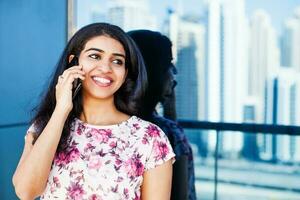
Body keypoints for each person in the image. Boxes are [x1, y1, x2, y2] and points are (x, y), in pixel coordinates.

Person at [12, 23, 175, 200]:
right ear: (73, 62)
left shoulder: (150, 138)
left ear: (126, 72)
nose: (105, 68)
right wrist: (61, 110)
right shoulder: (46, 125)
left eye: (117, 61)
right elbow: (26, 192)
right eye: (95, 56)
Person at [128, 30, 196, 200]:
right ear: (154, 71)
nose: (174, 71)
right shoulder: (169, 134)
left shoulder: (105, 124)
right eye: (169, 63)